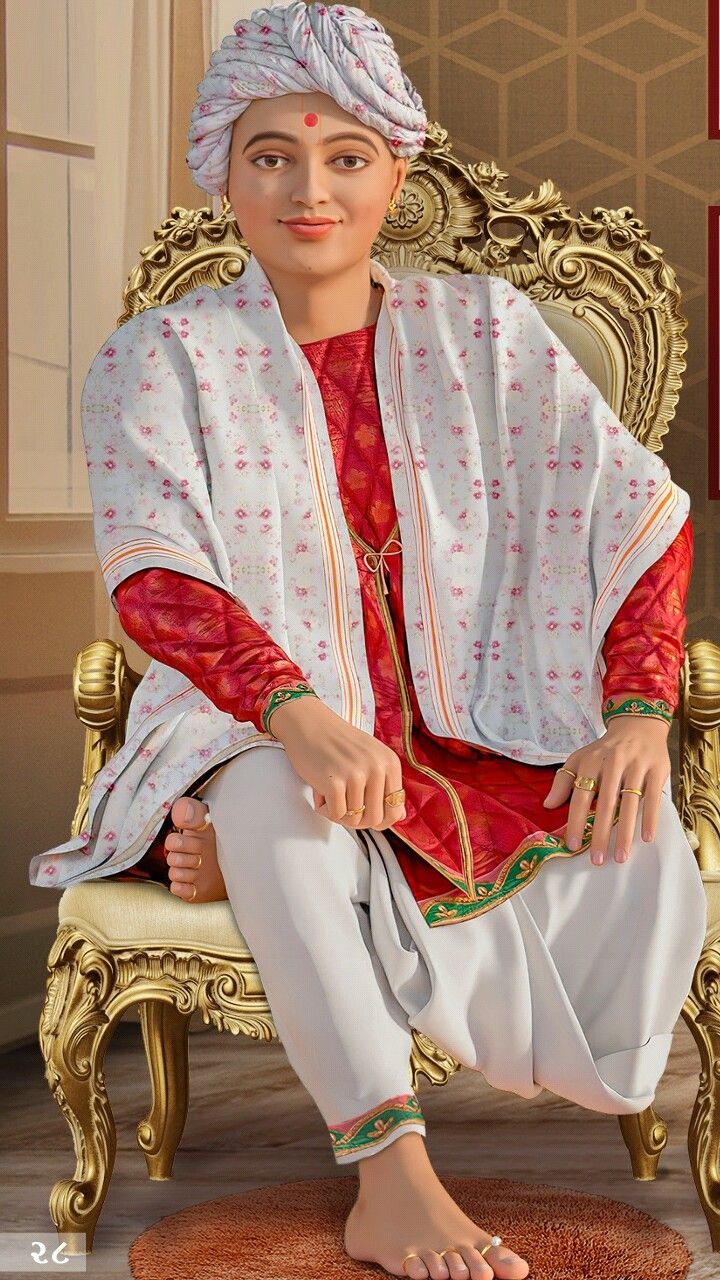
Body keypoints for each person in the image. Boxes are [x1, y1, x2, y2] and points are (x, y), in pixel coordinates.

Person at [29, 6, 707, 1279]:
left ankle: (256, 858)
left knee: (621, 828)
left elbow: (639, 517)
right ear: (221, 173)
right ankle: (391, 1181)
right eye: (271, 151)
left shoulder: (489, 330)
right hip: (254, 717)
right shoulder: (159, 357)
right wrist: (294, 709)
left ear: (397, 171)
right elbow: (159, 580)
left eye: (346, 154)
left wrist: (638, 706)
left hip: (502, 707)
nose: (309, 185)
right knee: (286, 801)